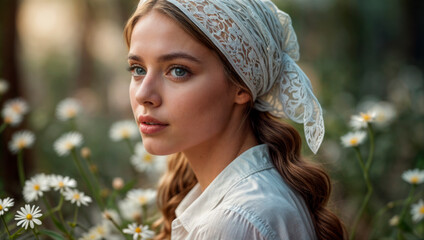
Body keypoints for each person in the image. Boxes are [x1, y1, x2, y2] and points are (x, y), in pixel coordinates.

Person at [124, 0, 345, 239]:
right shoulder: (248, 200)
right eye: (138, 69)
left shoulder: (233, 222)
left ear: (241, 86)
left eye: (178, 71)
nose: (143, 95)